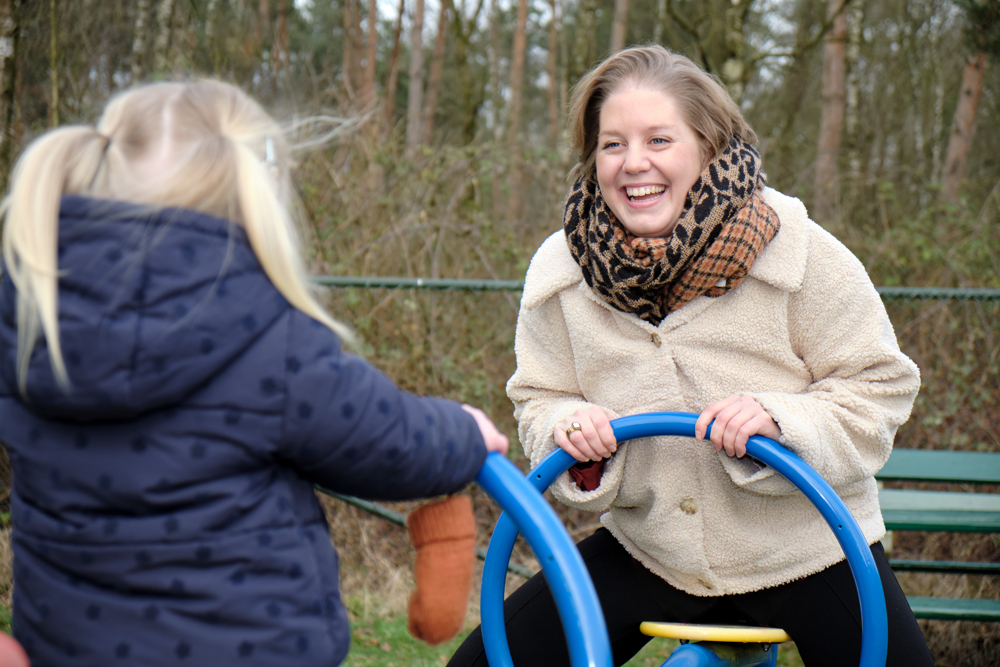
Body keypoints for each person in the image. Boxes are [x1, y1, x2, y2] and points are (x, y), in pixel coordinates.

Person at [447, 45, 933, 667]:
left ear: (708, 149)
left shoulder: (803, 253)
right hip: (653, 550)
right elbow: (540, 397)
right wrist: (570, 431)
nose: (633, 164)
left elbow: (881, 385)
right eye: (612, 144)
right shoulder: (562, 272)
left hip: (807, 548)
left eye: (659, 140)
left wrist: (781, 420)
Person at [0, 79, 509, 667]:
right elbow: (383, 438)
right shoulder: (264, 333)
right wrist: (463, 433)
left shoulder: (29, 325)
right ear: (256, 203)